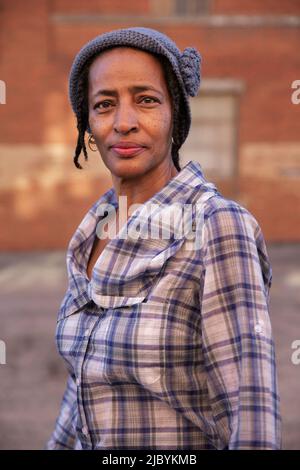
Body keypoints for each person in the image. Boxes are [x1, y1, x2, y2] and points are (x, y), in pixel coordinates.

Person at [45, 27, 281, 450]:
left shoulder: (217, 227)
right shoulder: (92, 233)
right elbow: (84, 386)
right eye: (104, 105)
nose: (124, 122)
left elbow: (252, 413)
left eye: (146, 99)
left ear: (176, 113)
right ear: (88, 125)